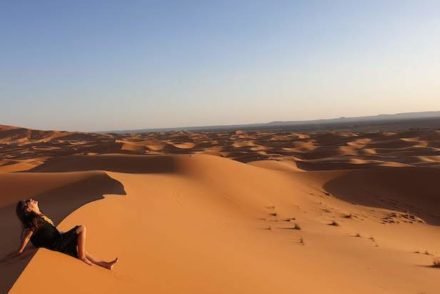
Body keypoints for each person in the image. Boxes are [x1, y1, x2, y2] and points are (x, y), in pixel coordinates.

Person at [13, 198, 118, 270]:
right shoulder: (34, 220)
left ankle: (105, 265)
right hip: (56, 243)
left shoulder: (39, 217)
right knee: (81, 228)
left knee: (80, 249)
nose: (31, 200)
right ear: (28, 209)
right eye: (28, 201)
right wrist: (21, 250)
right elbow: (27, 234)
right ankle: (82, 257)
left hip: (57, 240)